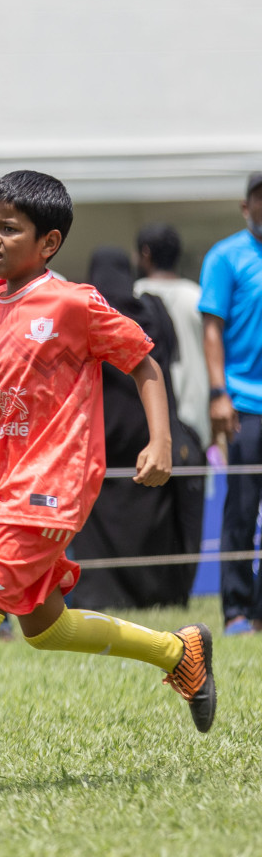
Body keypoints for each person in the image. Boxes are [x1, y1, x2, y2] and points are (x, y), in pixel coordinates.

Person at [0, 170, 214, 797]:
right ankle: (178, 652)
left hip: (55, 484)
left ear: (48, 242)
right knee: (45, 628)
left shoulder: (73, 303)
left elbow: (143, 361)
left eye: (9, 228)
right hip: (8, 481)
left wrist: (160, 441)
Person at [75, 248, 205, 609]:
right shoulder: (152, 311)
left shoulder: (84, 315)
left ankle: (95, 594)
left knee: (94, 524)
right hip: (148, 435)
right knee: (153, 518)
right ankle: (156, 593)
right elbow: (167, 360)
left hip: (96, 438)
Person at [199, 171, 262, 636]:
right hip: (243, 403)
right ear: (246, 207)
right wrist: (219, 393)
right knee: (241, 510)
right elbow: (212, 330)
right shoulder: (226, 257)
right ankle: (237, 611)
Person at [135, 223, 209, 445]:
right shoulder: (197, 296)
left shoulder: (134, 295)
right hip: (195, 409)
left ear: (145, 253)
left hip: (148, 414)